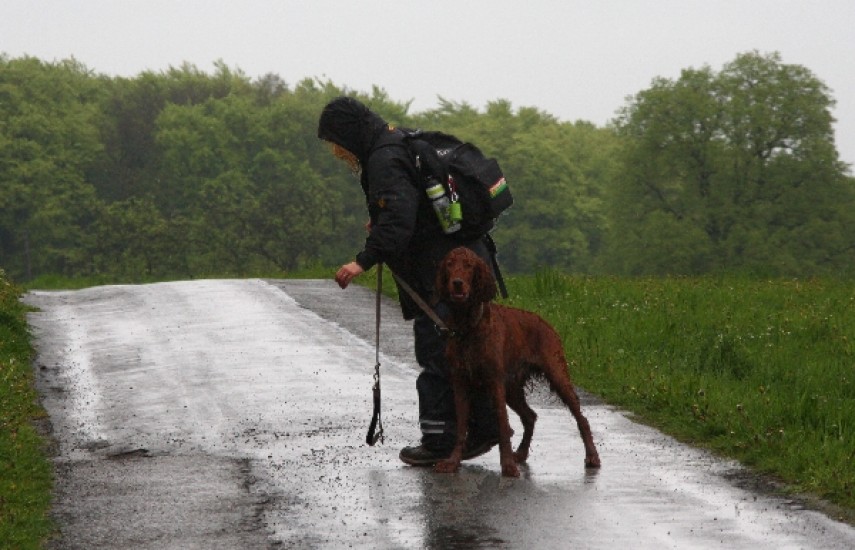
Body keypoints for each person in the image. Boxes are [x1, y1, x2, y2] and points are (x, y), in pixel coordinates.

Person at [317, 96, 500, 466]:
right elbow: (408, 208)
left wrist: (362, 261)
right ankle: (485, 428)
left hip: (441, 274)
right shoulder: (397, 141)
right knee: (470, 350)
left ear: (349, 134)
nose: (337, 152)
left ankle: (440, 441)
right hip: (467, 264)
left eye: (336, 143)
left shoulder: (384, 158)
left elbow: (399, 221)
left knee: (437, 352)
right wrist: (382, 220)